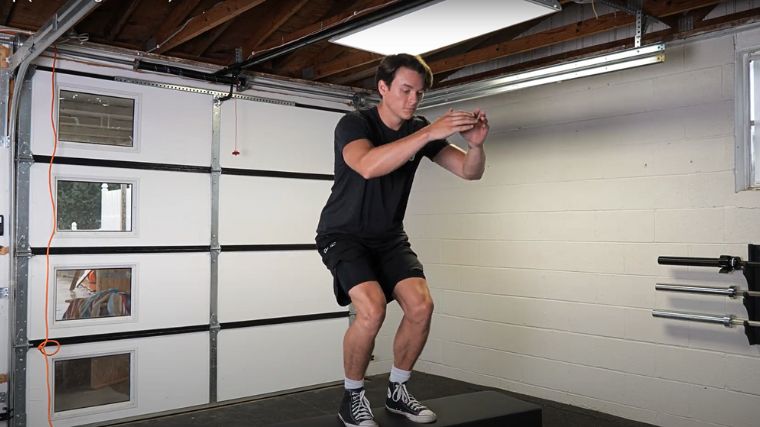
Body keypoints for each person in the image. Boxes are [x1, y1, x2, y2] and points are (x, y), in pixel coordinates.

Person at [316, 53, 489, 427]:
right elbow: (367, 165)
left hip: (388, 236)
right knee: (373, 309)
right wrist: (427, 132)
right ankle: (353, 396)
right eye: (406, 90)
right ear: (383, 88)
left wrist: (474, 145)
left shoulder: (419, 127)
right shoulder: (354, 124)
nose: (413, 100)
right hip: (343, 235)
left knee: (421, 307)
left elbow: (468, 172)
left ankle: (397, 391)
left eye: (420, 94)